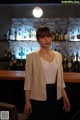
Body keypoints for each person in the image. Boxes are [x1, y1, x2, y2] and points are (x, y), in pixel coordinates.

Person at [24, 26, 71, 120]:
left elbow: (61, 81)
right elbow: (27, 82)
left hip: (54, 95)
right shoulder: (31, 57)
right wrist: (27, 101)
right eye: (42, 37)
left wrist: (65, 98)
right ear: (38, 39)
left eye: (49, 36)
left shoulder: (58, 56)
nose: (46, 40)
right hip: (37, 96)